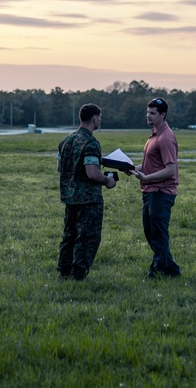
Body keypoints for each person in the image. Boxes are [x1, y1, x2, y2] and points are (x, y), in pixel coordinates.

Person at [56, 103, 117, 280]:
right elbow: (92, 173)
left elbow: (60, 167)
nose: (100, 120)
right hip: (89, 199)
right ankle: (79, 274)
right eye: (100, 117)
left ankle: (64, 271)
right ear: (95, 118)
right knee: (87, 237)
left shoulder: (66, 140)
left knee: (69, 235)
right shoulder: (90, 142)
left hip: (69, 197)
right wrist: (107, 180)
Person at [131, 97, 181, 278]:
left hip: (161, 192)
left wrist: (146, 177)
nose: (148, 116)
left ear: (163, 115)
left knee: (158, 235)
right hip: (150, 191)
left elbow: (170, 170)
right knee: (151, 233)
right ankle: (172, 270)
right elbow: (151, 165)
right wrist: (132, 168)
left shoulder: (166, 138)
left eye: (153, 113)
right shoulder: (154, 135)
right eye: (147, 112)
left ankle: (157, 272)